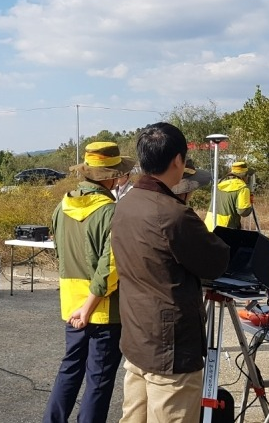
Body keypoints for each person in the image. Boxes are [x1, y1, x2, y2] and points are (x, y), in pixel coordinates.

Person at [112, 123, 230, 422]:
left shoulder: (126, 204)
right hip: (171, 346)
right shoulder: (173, 214)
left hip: (138, 335)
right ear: (178, 160)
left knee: (133, 416)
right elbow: (215, 262)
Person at [43, 142, 135, 423]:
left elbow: (59, 252)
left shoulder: (61, 207)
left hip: (71, 306)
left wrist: (80, 307)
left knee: (69, 369)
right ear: (112, 177)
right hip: (103, 311)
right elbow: (111, 267)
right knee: (98, 380)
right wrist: (90, 305)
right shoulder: (112, 212)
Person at [204, 160, 253, 231]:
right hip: (226, 228)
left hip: (209, 224)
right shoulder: (242, 188)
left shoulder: (219, 184)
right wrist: (250, 204)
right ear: (244, 175)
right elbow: (243, 212)